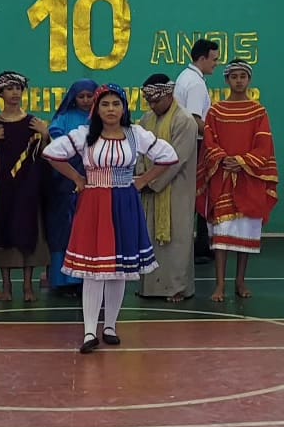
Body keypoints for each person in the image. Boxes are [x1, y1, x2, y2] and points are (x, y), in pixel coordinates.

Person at [43, 84, 179, 353]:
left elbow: (169, 156)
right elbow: (52, 153)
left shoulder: (135, 134)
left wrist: (143, 180)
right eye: (105, 104)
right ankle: (89, 331)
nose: (111, 109)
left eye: (116, 104)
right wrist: (77, 178)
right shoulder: (85, 134)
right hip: (94, 203)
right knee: (94, 271)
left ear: (124, 108)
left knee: (119, 269)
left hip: (124, 203)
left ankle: (110, 327)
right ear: (96, 108)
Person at [196, 59, 279, 301]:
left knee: (246, 233)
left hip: (248, 179)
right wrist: (224, 159)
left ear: (249, 79)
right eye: (234, 77)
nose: (239, 81)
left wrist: (242, 161)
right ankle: (220, 284)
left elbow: (264, 145)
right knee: (221, 234)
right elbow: (209, 142)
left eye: (243, 76)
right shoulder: (216, 111)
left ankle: (240, 281)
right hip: (222, 177)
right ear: (227, 80)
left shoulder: (258, 112)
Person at [0, 71, 50, 301]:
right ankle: (6, 286)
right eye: (9, 89)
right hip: (2, 191)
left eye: (18, 88)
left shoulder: (33, 123)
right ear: (0, 93)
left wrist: (45, 135)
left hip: (28, 190)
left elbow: (48, 156)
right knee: (3, 235)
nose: (15, 93)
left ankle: (27, 286)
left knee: (28, 234)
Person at [138, 73, 199, 302]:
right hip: (149, 188)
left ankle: (177, 288)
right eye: (149, 101)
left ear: (169, 94)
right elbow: (139, 152)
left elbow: (176, 160)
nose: (152, 106)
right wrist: (141, 175)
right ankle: (150, 287)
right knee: (149, 236)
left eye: (156, 101)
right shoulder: (146, 120)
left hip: (177, 189)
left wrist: (148, 181)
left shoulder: (185, 120)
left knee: (178, 239)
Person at [44, 78, 97, 294]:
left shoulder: (101, 117)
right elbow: (57, 143)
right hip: (64, 183)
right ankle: (64, 280)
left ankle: (87, 278)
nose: (85, 100)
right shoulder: (63, 118)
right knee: (64, 229)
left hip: (94, 179)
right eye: (80, 96)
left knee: (89, 229)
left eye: (89, 96)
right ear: (73, 98)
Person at [175, 37, 220, 262]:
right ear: (202, 58)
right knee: (198, 193)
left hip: (191, 142)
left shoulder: (188, 77)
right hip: (195, 143)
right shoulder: (194, 83)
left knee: (198, 193)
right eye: (214, 59)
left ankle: (200, 243)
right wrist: (217, 136)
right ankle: (197, 246)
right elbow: (194, 119)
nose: (216, 64)